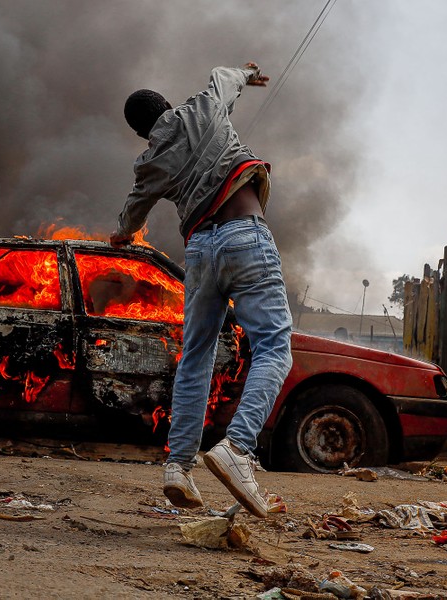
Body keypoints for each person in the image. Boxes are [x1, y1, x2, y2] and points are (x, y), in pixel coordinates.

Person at [110, 63, 293, 518]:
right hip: (244, 236)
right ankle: (239, 448)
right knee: (273, 345)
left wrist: (122, 235)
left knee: (196, 356)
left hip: (200, 251)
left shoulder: (149, 161)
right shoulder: (204, 107)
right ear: (168, 105)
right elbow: (222, 75)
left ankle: (177, 466)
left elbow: (134, 210)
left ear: (141, 134)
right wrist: (248, 73)